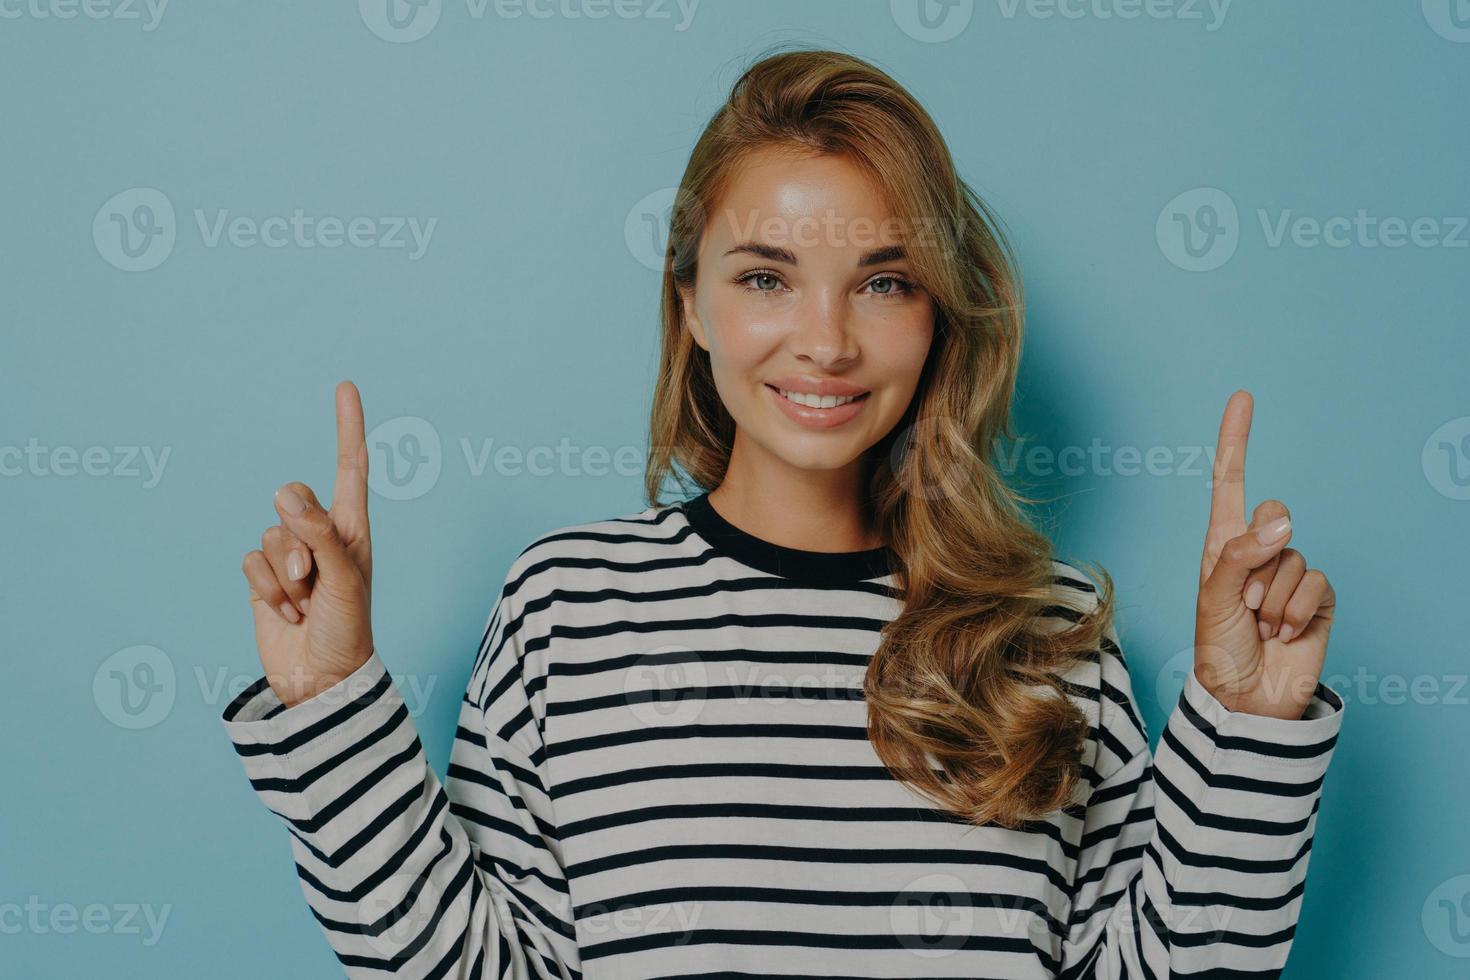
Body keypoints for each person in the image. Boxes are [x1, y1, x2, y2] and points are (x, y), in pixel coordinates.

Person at [222, 48, 1343, 979]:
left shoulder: (1044, 634)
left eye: (884, 281)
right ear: (693, 304)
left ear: (940, 315)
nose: (826, 339)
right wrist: (329, 701)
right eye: (765, 276)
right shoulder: (567, 606)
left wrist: (1248, 729)